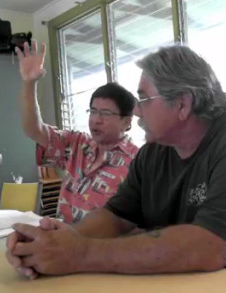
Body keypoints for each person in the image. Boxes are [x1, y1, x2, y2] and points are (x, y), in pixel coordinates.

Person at [6, 45, 226, 289]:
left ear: (183, 104)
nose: (134, 111)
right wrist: (59, 241)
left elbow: (211, 248)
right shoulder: (154, 153)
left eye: (143, 98)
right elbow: (117, 216)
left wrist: (80, 254)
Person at [15, 41, 139, 224]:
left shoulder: (137, 162)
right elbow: (34, 130)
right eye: (93, 111)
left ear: (126, 122)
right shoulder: (78, 144)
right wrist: (29, 83)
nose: (96, 119)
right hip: (63, 241)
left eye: (105, 114)